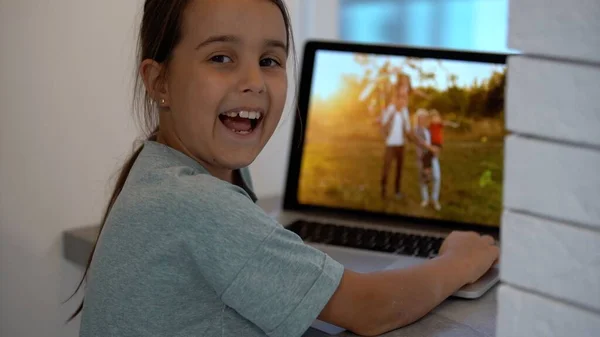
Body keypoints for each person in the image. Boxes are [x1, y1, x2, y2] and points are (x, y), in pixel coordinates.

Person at [68, 1, 499, 336]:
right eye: (221, 57)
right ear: (159, 82)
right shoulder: (196, 202)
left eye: (270, 60)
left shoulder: (165, 173)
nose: (253, 80)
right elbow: (368, 309)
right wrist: (460, 261)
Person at [378, 73, 412, 199]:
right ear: (396, 99)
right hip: (390, 145)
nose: (403, 101)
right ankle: (383, 190)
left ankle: (397, 191)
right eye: (401, 98)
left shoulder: (405, 111)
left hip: (401, 145)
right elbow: (383, 124)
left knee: (399, 169)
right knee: (386, 168)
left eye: (405, 99)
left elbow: (408, 129)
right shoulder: (391, 109)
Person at [413, 109, 442, 210]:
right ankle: (425, 199)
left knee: (437, 177)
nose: (422, 119)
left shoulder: (428, 128)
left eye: (424, 117)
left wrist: (437, 149)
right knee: (423, 178)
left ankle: (434, 199)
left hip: (432, 156)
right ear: (417, 119)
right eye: (420, 118)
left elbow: (436, 139)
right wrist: (433, 149)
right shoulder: (416, 130)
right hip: (422, 157)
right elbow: (422, 143)